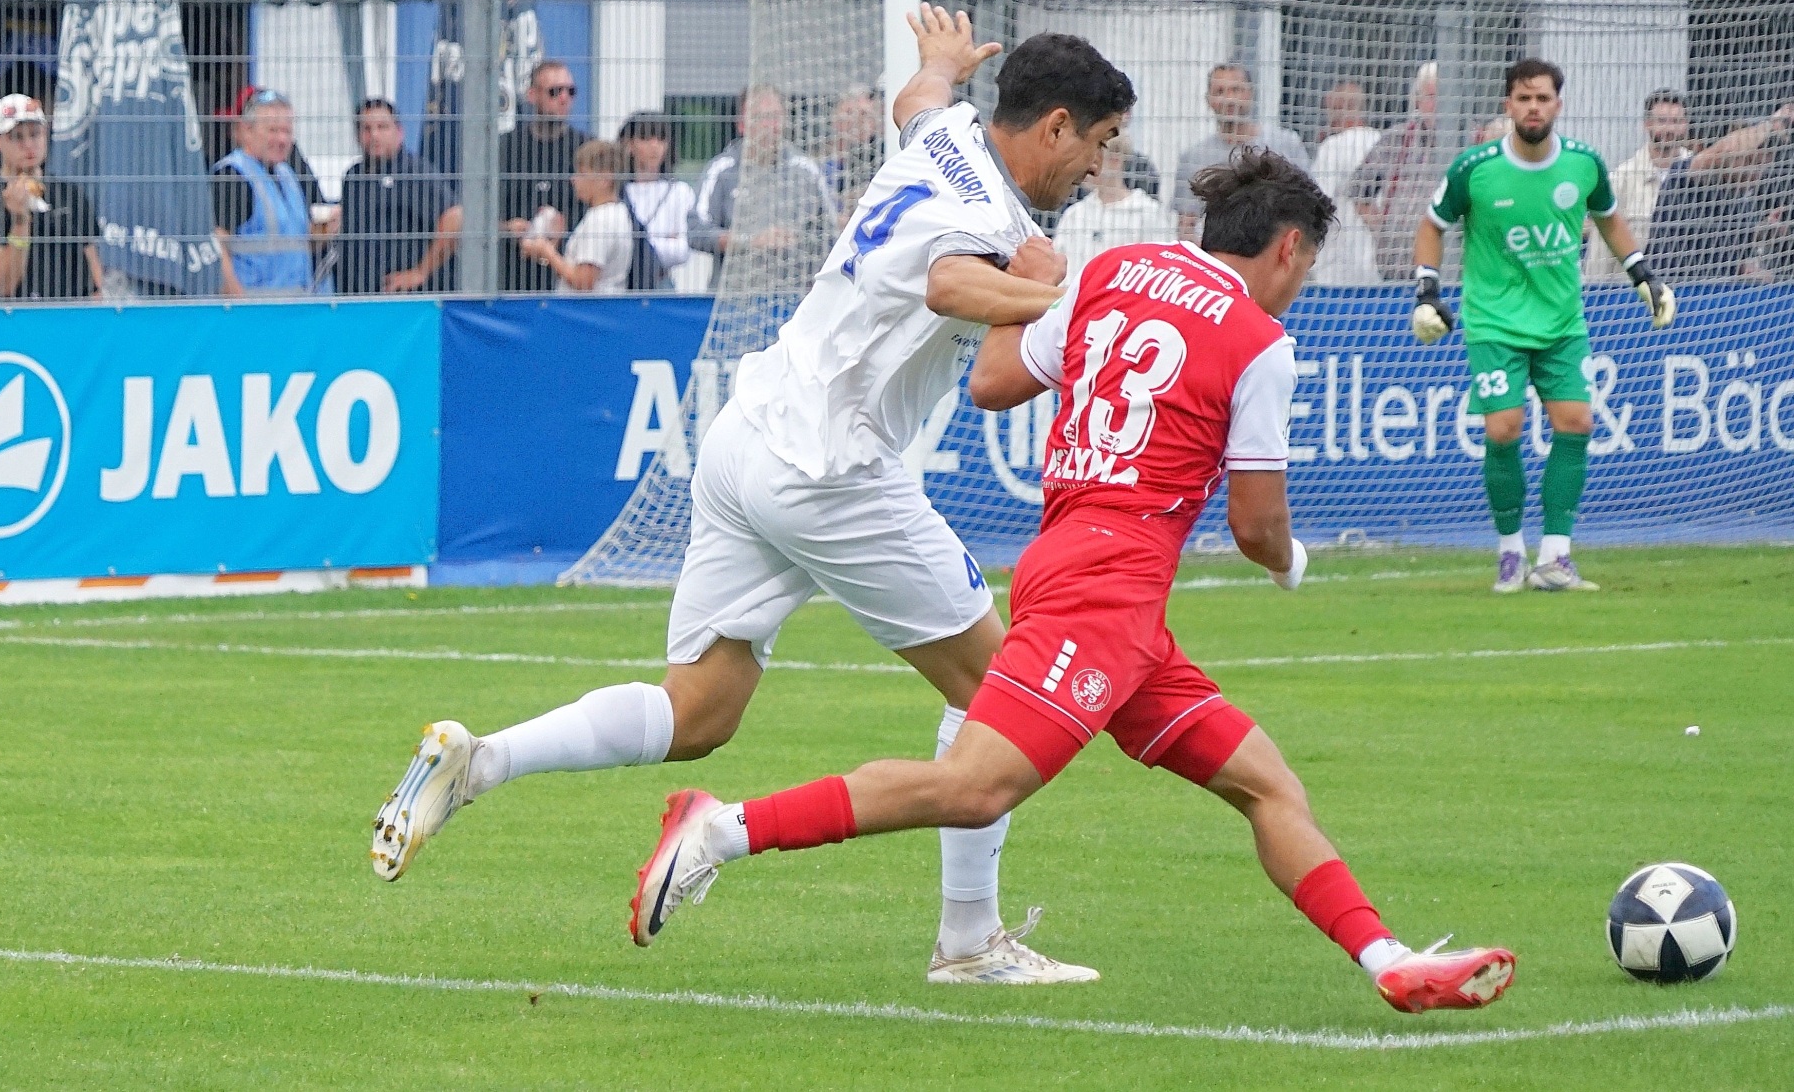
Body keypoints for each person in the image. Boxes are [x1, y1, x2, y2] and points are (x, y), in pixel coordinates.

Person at [631, 149, 1519, 1016]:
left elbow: (991, 381)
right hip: (1105, 593)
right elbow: (1257, 528)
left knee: (1267, 784)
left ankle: (1389, 961)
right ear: (1289, 248)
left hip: (1088, 580)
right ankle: (722, 829)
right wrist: (1292, 564)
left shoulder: (1113, 270)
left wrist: (1027, 282)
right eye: (1308, 265)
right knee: (975, 785)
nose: (1301, 284)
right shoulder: (1260, 342)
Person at [371, 6, 1135, 985]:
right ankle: (968, 942)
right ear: (1056, 125)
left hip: (748, 437)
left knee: (698, 712)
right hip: (831, 471)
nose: (1098, 167)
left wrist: (939, 63)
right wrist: (1068, 299)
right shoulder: (990, 219)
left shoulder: (946, 133)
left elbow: (917, 100)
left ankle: (480, 760)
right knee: (1002, 702)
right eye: (1099, 142)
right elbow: (949, 283)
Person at [1410, 59, 1677, 595]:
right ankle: (1511, 553)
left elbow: (1609, 218)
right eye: (1524, 98)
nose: (1533, 107)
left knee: (1576, 423)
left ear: (1559, 104)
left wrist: (1643, 275)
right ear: (1508, 104)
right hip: (1495, 323)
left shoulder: (1583, 163)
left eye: (1543, 98)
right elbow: (1432, 225)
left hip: (1562, 322)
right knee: (1503, 429)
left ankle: (1556, 557)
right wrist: (1427, 291)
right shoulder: (1475, 168)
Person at [686, 84, 838, 288]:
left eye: (775, 117)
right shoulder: (721, 170)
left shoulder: (806, 170)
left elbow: (831, 231)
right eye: (760, 117)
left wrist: (798, 240)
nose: (769, 125)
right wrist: (749, 241)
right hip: (735, 294)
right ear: (742, 124)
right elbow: (695, 230)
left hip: (796, 293)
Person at [0, 94, 100, 300]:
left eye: (35, 134)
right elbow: (4, 284)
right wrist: (20, 222)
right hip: (10, 317)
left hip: (68, 314)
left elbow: (94, 278)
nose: (29, 144)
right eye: (17, 136)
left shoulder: (69, 195)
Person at [1646, 101, 1794, 282]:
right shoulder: (1687, 177)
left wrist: (1766, 230)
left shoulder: (1742, 203)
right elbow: (1726, 148)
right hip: (1672, 290)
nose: (1755, 173)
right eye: (1750, 161)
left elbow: (1732, 261)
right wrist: (1772, 124)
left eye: (1762, 166)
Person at [212, 89, 337, 296]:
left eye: (287, 131)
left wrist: (323, 232)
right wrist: (236, 304)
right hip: (254, 308)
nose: (282, 139)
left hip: (295, 306)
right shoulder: (232, 176)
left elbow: (296, 244)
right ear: (247, 130)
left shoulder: (287, 175)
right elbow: (216, 249)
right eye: (273, 130)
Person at [1172, 62, 1308, 241]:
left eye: (1236, 90)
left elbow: (1307, 206)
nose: (1229, 99)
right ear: (1208, 100)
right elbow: (1186, 226)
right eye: (1219, 91)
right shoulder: (1194, 157)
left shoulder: (1285, 144)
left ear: (1250, 93)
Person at [337, 98, 460, 294]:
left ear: (399, 132)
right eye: (366, 129)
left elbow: (455, 218)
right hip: (356, 297)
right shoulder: (353, 176)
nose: (374, 135)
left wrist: (420, 272)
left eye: (382, 127)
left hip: (404, 300)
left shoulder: (414, 173)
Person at [500, 59, 589, 291]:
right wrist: (507, 228)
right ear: (532, 95)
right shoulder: (506, 148)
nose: (564, 98)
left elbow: (601, 210)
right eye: (554, 92)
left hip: (568, 276)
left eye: (571, 91)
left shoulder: (585, 149)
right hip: (511, 276)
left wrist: (564, 228)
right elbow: (476, 214)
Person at [1585, 90, 1691, 281]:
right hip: (1631, 294)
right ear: (1647, 124)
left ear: (1685, 125)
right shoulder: (1621, 180)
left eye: (1676, 121)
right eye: (1662, 121)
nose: (1669, 129)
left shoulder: (1699, 176)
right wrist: (1595, 290)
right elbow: (1601, 248)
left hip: (1690, 290)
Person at [1351, 62, 1440, 281]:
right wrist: (1383, 229)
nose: (1437, 105)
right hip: (1399, 268)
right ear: (1418, 100)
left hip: (1452, 269)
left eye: (1443, 96)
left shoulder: (1473, 139)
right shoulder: (1397, 139)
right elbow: (1359, 190)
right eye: (1430, 97)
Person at [1053, 133, 1173, 285]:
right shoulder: (1075, 214)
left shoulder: (1148, 213)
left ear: (1115, 161)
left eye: (1091, 158)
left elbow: (1163, 269)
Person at [519, 139, 634, 294]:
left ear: (605, 179)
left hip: (588, 308)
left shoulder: (600, 221)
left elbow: (583, 282)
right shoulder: (617, 212)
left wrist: (547, 252)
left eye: (582, 174)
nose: (574, 179)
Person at [1306, 79, 1381, 285]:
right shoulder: (1383, 143)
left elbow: (1317, 202)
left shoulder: (1334, 146)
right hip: (1378, 264)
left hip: (1339, 265)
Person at [617, 112, 697, 291]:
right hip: (621, 284)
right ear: (629, 144)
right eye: (645, 138)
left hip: (660, 283)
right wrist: (663, 240)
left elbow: (682, 251)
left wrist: (637, 244)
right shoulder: (617, 191)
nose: (655, 146)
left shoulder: (680, 191)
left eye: (661, 139)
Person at [822, 84, 886, 224]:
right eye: (850, 113)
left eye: (864, 114)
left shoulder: (885, 163)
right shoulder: (821, 169)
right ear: (834, 119)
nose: (857, 121)